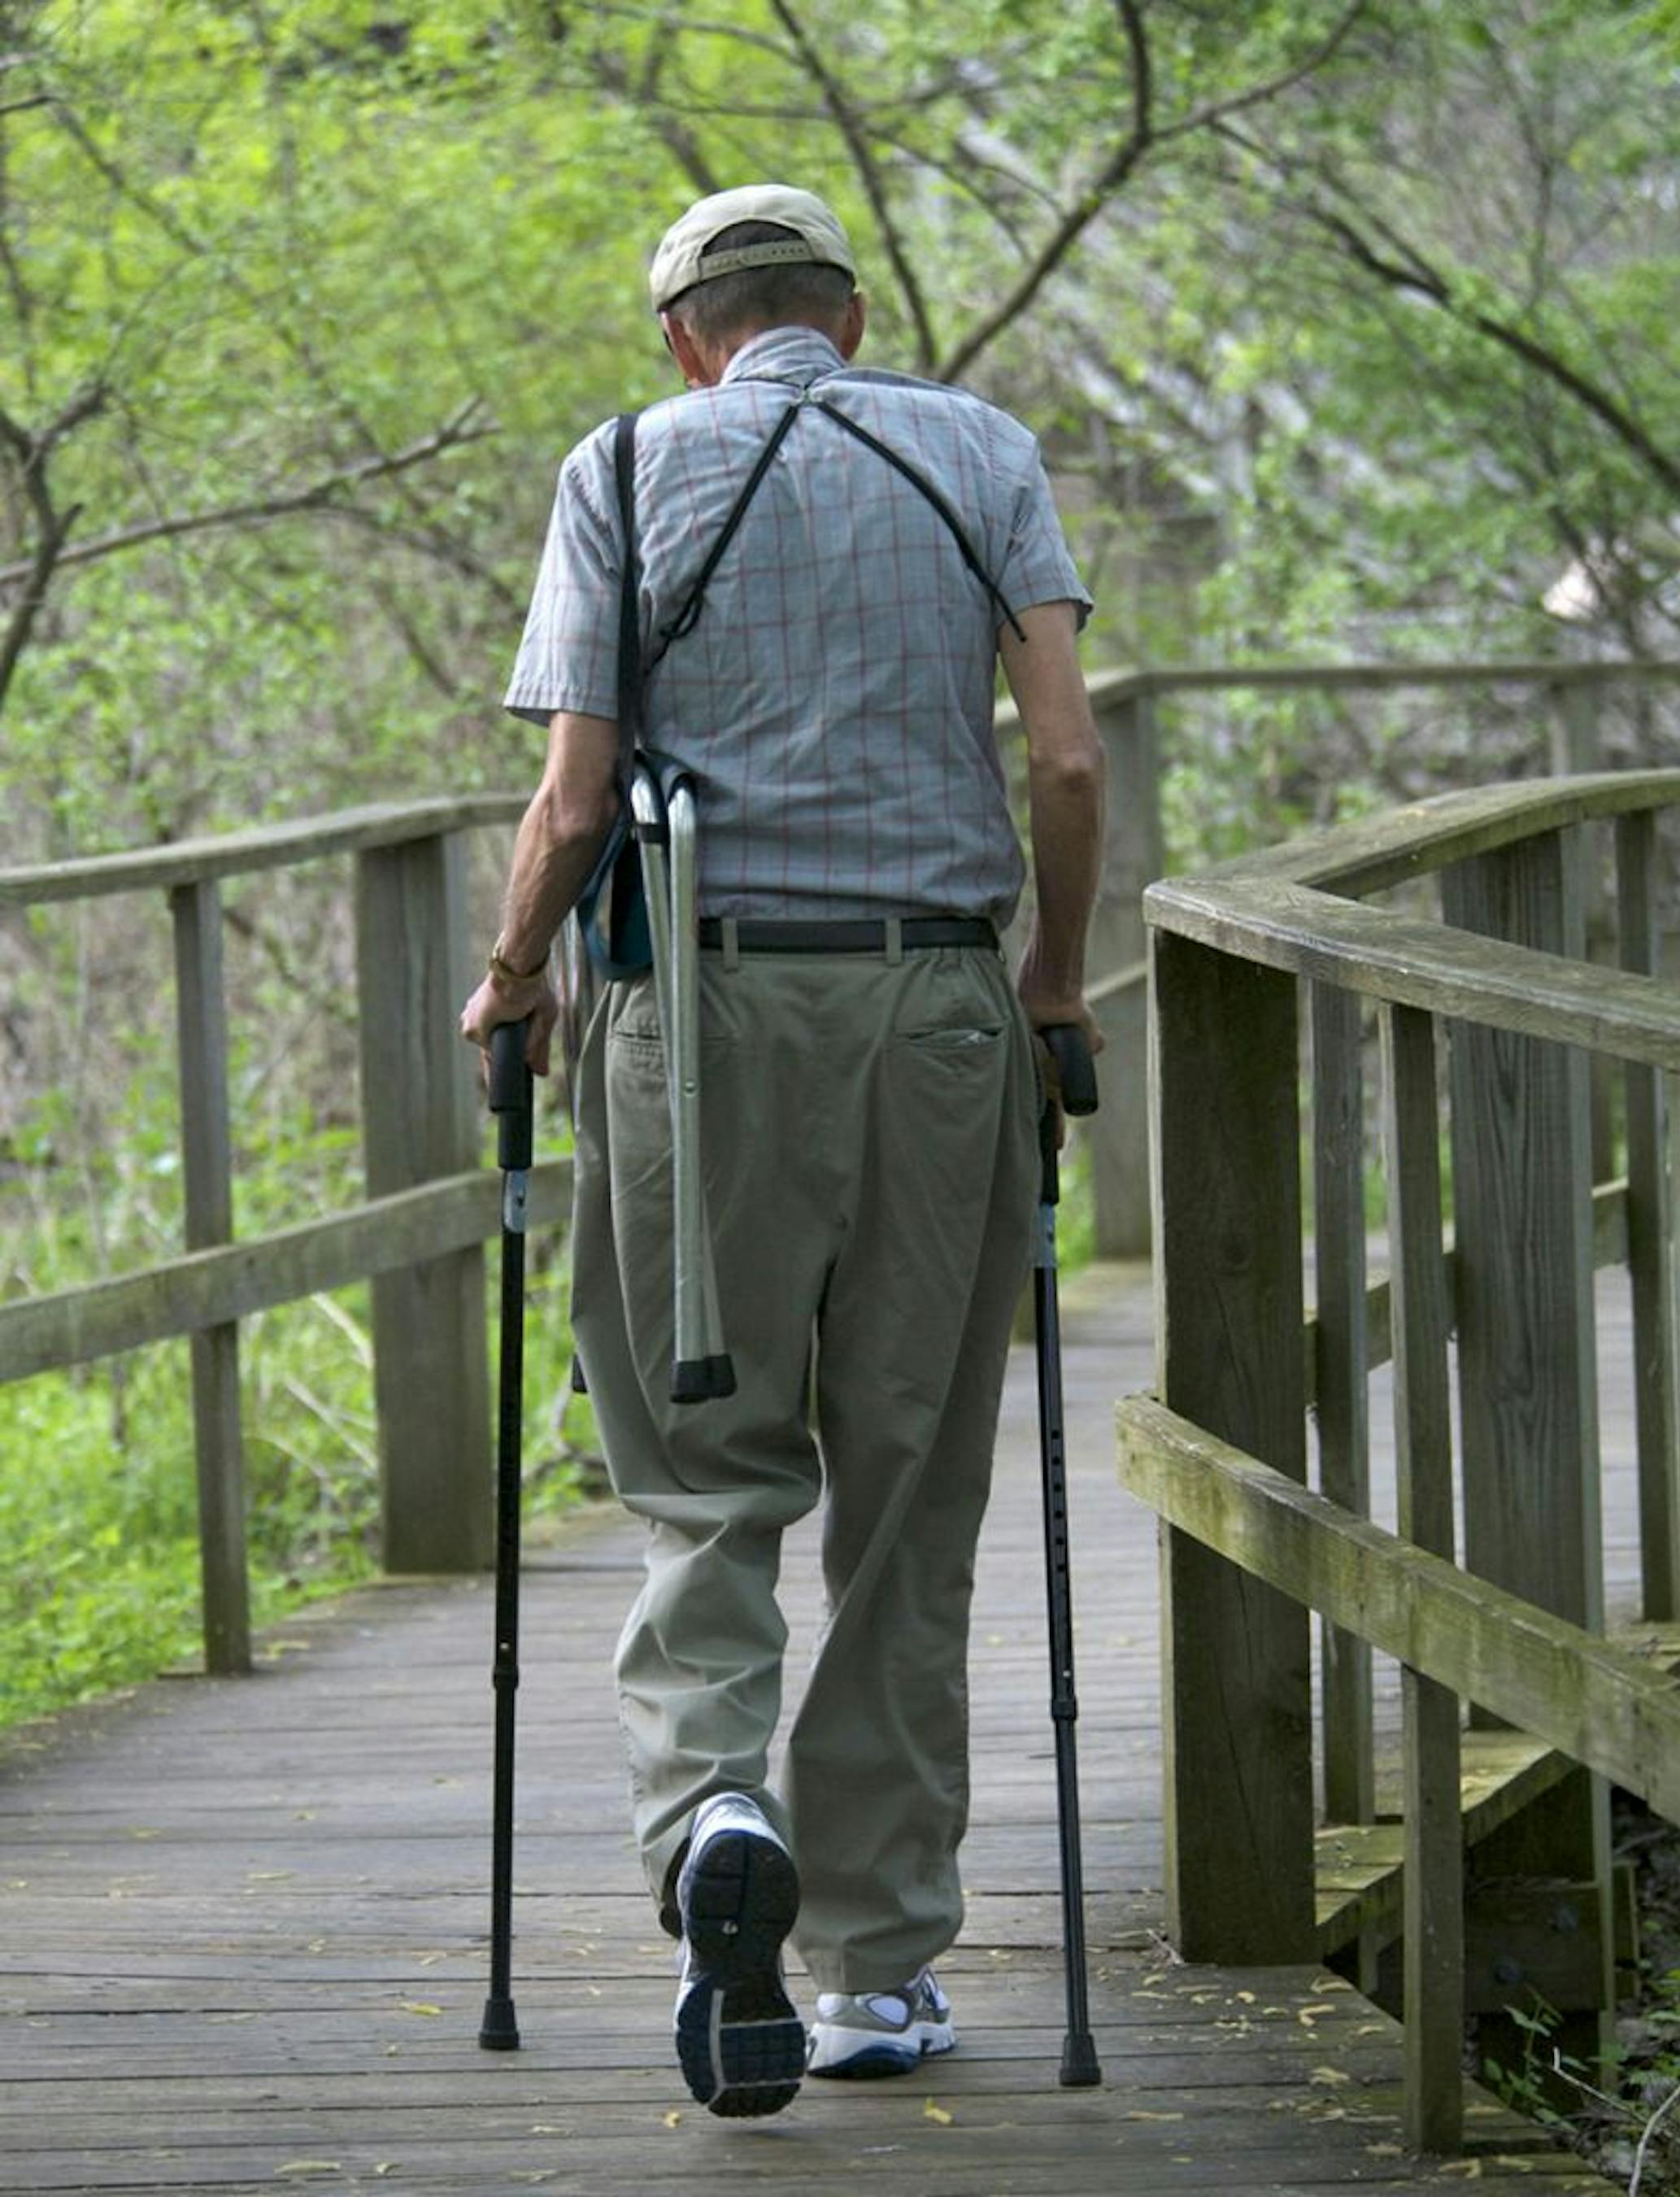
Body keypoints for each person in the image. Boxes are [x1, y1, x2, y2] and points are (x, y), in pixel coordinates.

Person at [459, 183, 1104, 2120]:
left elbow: (576, 796)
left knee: (703, 1464)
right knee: (909, 1491)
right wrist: (1055, 983)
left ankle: (715, 1814)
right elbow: (1064, 760)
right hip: (934, 1012)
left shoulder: (630, 463)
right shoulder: (981, 449)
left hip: (708, 1016)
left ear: (686, 335)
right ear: (848, 308)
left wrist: (515, 981)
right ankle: (882, 1968)